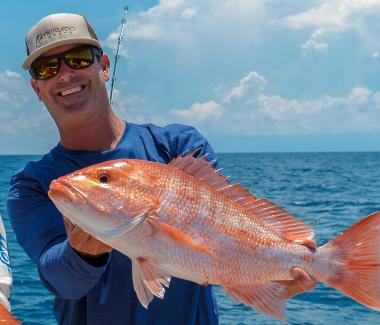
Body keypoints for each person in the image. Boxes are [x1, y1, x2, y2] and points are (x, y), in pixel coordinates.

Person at [7, 13, 316, 325]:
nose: (64, 75)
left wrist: (275, 280)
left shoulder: (180, 145)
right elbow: (61, 282)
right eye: (46, 68)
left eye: (77, 59)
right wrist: (82, 252)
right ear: (36, 87)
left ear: (103, 66)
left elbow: (226, 242)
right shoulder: (34, 185)